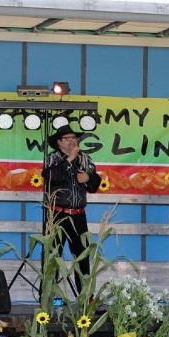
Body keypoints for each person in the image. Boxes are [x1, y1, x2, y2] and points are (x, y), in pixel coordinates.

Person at [42, 124, 101, 295]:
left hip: (78, 216)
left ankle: (85, 299)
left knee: (82, 258)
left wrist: (89, 177)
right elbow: (52, 177)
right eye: (68, 139)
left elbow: (95, 185)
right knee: (52, 257)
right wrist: (68, 160)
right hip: (57, 215)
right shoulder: (52, 158)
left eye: (74, 138)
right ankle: (49, 297)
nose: (73, 141)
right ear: (59, 143)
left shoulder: (84, 159)